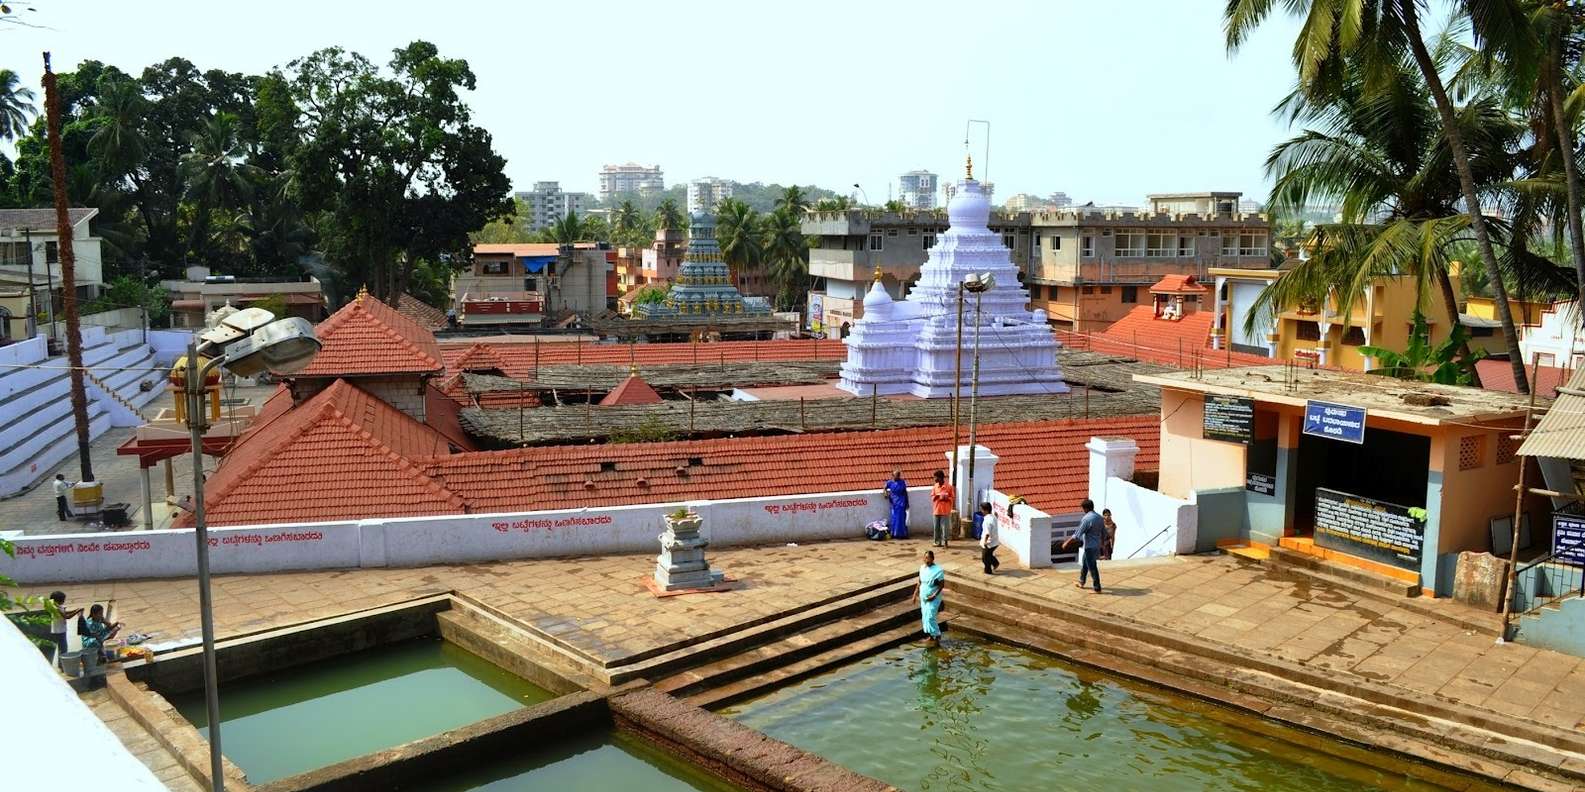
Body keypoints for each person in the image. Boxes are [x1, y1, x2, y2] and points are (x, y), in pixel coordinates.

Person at [1063, 499, 1104, 593]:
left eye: (1083, 508)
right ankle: (1082, 582)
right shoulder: (1099, 518)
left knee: (1092, 567)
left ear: (1085, 508)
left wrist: (1067, 542)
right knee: (1085, 563)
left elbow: (1077, 534)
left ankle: (1097, 588)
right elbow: (1104, 533)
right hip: (1096, 545)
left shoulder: (1086, 519)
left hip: (1089, 546)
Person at [912, 550, 945, 646]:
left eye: (928, 558)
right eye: (925, 558)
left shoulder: (938, 571)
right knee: (925, 616)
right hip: (924, 597)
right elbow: (919, 582)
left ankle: (937, 635)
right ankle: (931, 636)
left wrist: (934, 595)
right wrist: (915, 594)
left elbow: (941, 585)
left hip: (934, 598)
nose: (927, 560)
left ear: (932, 559)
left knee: (931, 616)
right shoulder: (922, 568)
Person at [46, 591, 82, 657]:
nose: (64, 601)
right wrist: (77, 611)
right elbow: (66, 616)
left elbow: (65, 612)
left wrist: (76, 610)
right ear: (57, 600)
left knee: (63, 647)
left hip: (61, 630)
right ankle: (62, 663)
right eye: (63, 600)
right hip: (59, 631)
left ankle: (62, 661)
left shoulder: (58, 606)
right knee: (63, 648)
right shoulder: (56, 608)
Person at [930, 470, 956, 548]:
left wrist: (947, 498)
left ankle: (945, 542)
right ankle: (937, 542)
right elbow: (932, 496)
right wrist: (937, 496)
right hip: (936, 509)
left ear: (940, 477)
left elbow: (952, 497)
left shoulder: (949, 487)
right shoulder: (935, 486)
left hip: (945, 510)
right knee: (936, 527)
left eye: (935, 477)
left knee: (945, 527)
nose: (934, 479)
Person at [883, 469, 909, 540]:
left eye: (898, 475)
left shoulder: (902, 482)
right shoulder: (890, 483)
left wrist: (907, 502)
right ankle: (894, 534)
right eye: (896, 475)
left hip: (901, 501)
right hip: (894, 502)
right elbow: (885, 488)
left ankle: (902, 534)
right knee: (894, 518)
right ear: (893, 475)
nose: (897, 477)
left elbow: (905, 492)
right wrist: (885, 493)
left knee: (902, 518)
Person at [979, 502, 1001, 575]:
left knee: (985, 558)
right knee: (989, 554)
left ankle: (988, 570)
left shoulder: (987, 521)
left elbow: (987, 533)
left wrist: (985, 542)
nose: (981, 511)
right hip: (995, 541)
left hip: (989, 543)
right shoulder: (993, 517)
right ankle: (995, 563)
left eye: (982, 510)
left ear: (986, 510)